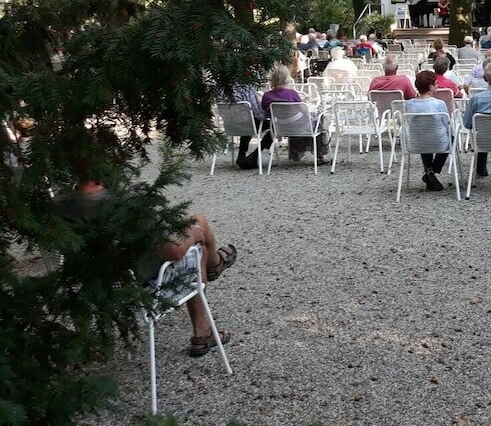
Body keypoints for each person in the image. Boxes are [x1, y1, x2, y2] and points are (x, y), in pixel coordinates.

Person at [55, 172, 238, 358]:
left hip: (96, 292)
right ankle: (203, 326)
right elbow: (174, 251)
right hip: (142, 293)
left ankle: (215, 266)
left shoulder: (59, 204)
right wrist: (195, 234)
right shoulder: (124, 202)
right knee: (199, 234)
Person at [262, 65, 330, 163]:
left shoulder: (267, 96)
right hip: (299, 126)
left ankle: (296, 154)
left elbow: (265, 112)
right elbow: (304, 111)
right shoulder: (292, 94)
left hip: (279, 127)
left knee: (296, 122)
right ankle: (320, 156)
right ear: (287, 78)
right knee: (319, 122)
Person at [403, 71, 454, 191]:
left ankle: (429, 171)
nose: (438, 85)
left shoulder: (408, 104)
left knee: (423, 134)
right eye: (436, 83)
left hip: (416, 143)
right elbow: (446, 124)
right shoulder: (439, 104)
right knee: (451, 137)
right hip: (438, 144)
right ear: (430, 87)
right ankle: (433, 171)